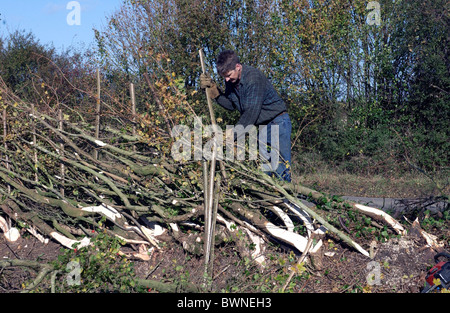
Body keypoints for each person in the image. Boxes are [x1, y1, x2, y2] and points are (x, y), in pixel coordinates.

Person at [200, 50, 292, 182]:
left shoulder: (253, 78)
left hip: (277, 122)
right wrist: (215, 93)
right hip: (262, 126)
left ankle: (286, 201)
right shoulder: (231, 81)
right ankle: (272, 201)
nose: (226, 79)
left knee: (280, 168)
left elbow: (250, 113)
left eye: (229, 75)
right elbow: (232, 106)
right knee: (266, 170)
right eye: (224, 77)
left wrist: (231, 135)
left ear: (238, 67)